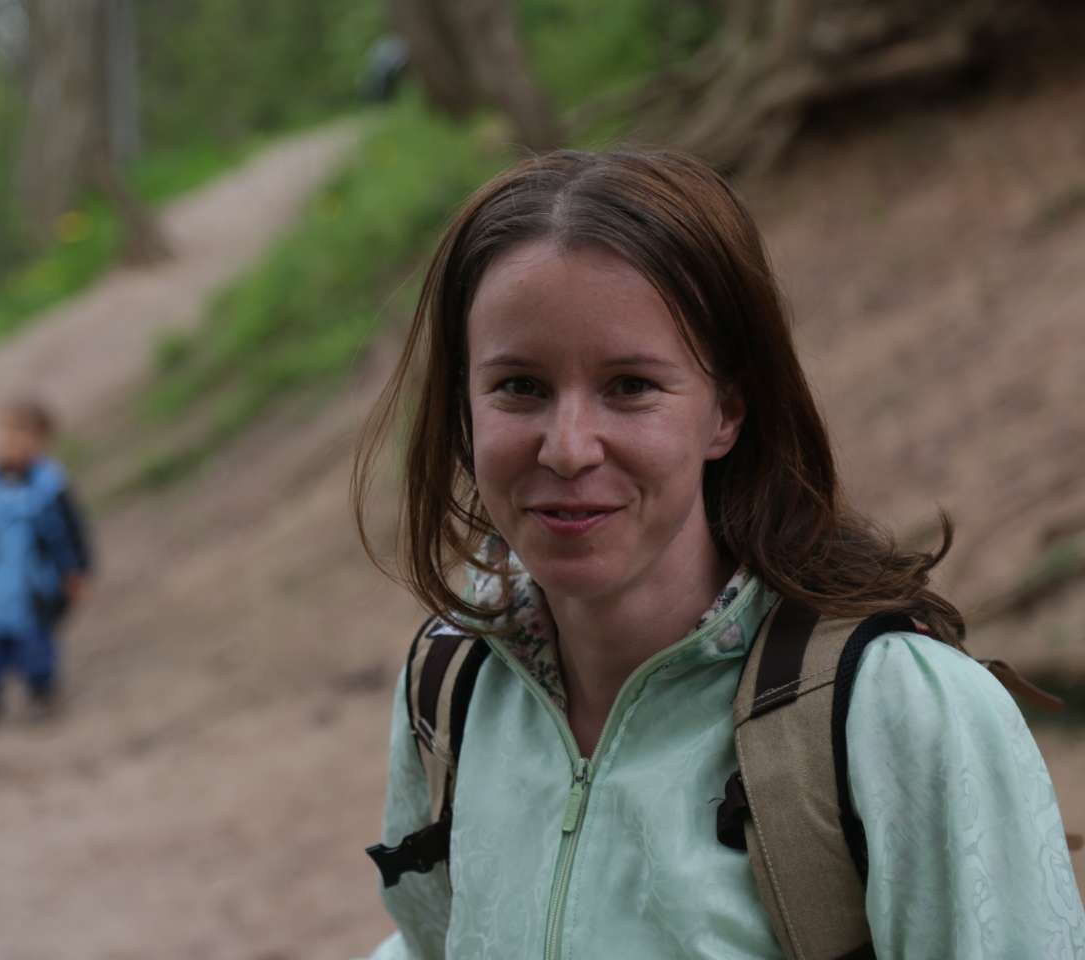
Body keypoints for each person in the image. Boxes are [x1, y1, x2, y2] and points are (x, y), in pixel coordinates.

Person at [352, 148, 1084, 957]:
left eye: (630, 386)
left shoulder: (895, 714)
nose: (567, 448)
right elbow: (429, 944)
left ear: (727, 412)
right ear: (464, 408)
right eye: (519, 386)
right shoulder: (452, 684)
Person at [0, 398, 91, 731]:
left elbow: (73, 534)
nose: (11, 443)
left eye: (22, 436)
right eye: (5, 434)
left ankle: (41, 693)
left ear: (42, 443)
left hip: (36, 587)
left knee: (36, 646)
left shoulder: (50, 487)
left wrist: (76, 571)